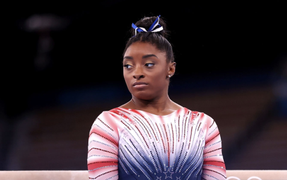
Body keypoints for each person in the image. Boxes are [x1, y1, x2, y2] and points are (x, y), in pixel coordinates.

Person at [87, 15, 226, 180]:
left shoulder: (203, 125)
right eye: (128, 66)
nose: (137, 73)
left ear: (170, 69)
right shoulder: (108, 123)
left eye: (149, 64)